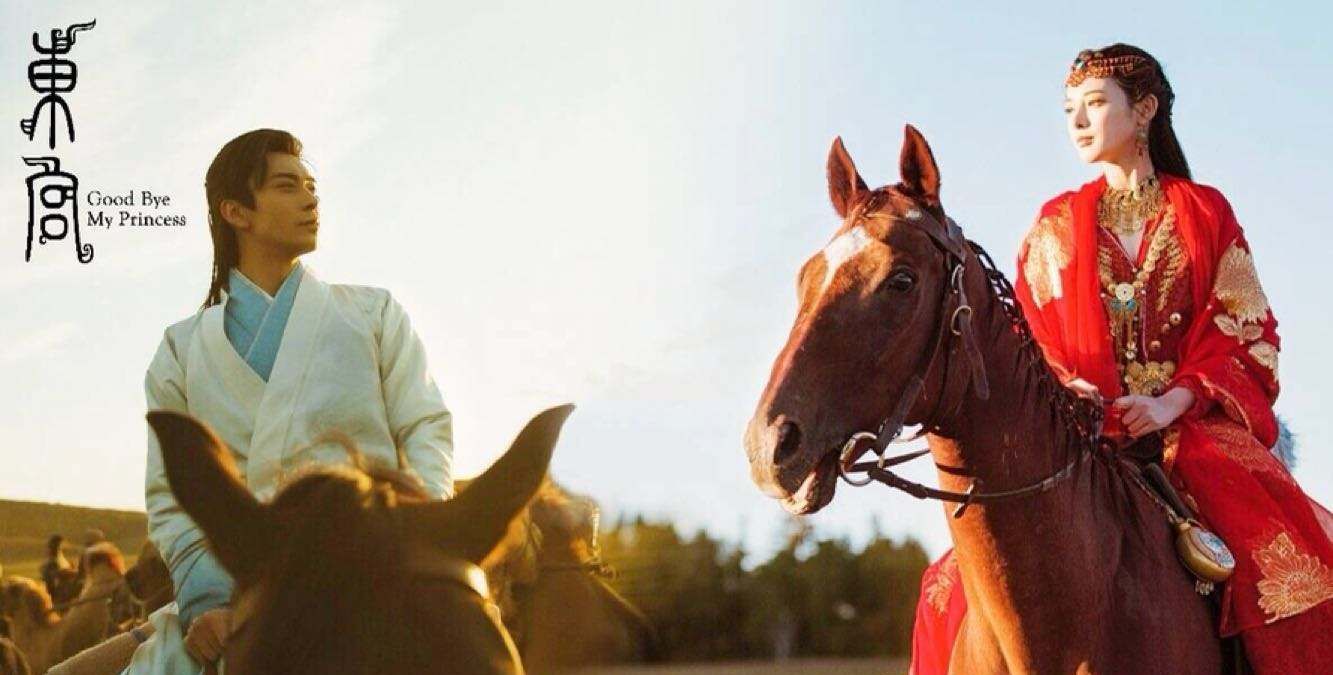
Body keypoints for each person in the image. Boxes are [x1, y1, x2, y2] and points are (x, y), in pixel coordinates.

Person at [909, 44, 1333, 675]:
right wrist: (1066, 387)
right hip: (1081, 436)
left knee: (1293, 570)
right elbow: (1030, 346)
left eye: (1095, 104)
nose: (1077, 121)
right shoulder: (1051, 227)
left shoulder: (1205, 212)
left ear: (1145, 111)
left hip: (1189, 431)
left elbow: (1245, 330)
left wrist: (1171, 401)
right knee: (948, 588)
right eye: (1069, 109)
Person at [116, 128, 454, 675]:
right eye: (286, 185)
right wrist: (207, 601)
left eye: (311, 185)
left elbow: (424, 427)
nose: (310, 197)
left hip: (374, 568)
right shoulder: (181, 349)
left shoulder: (373, 314)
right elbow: (170, 492)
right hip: (233, 597)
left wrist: (412, 545)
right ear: (236, 211)